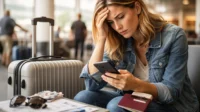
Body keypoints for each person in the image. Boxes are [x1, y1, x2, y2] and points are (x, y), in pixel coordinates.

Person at [74, 0, 199, 112]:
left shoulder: (174, 36)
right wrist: (101, 39)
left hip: (173, 106)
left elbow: (171, 93)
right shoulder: (118, 39)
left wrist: (136, 85)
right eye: (111, 22)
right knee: (83, 97)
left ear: (137, 7)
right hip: (134, 99)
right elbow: (91, 85)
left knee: (117, 105)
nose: (117, 27)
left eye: (121, 17)